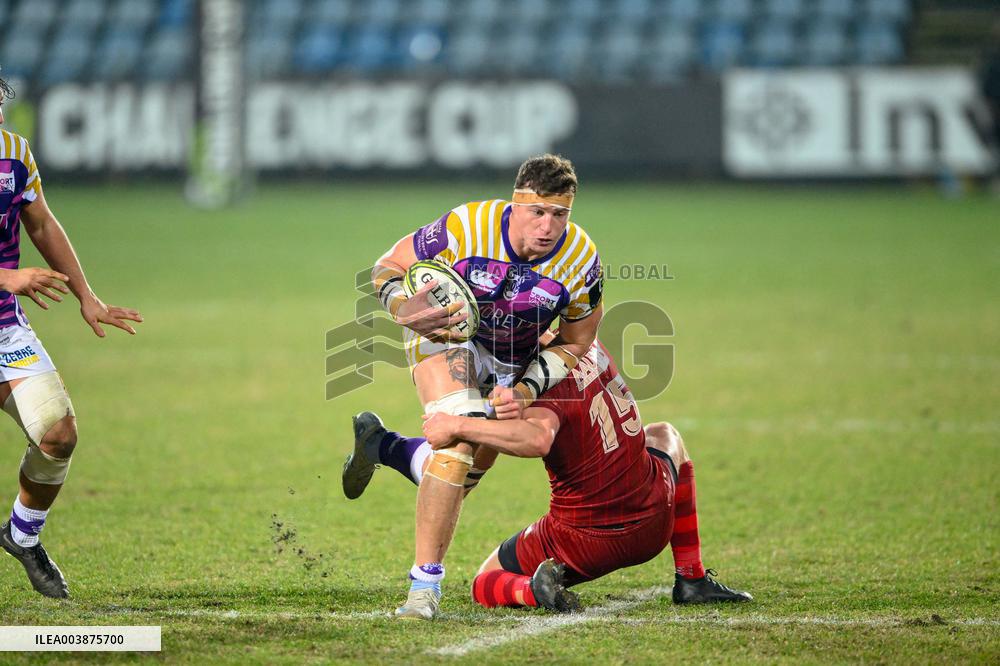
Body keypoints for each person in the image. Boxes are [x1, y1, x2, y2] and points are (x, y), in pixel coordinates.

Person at [349, 154, 604, 619]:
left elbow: (576, 343)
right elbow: (387, 267)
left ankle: (384, 447)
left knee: (460, 480)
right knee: (457, 448)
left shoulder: (582, 260)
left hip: (514, 363)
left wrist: (526, 391)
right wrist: (403, 309)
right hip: (447, 342)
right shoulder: (468, 225)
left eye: (560, 214)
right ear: (516, 204)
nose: (548, 226)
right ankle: (423, 589)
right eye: (538, 212)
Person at [348, 340, 751, 611]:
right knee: (666, 435)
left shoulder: (538, 384)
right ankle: (692, 578)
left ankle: (532, 590)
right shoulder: (586, 342)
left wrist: (457, 425)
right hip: (655, 507)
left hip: (590, 536)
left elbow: (536, 437)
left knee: (486, 580)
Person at [0, 73, 143, 598]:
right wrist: (8, 276)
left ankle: (21, 534)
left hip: (3, 328)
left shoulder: (13, 152)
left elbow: (40, 223)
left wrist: (87, 294)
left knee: (58, 434)